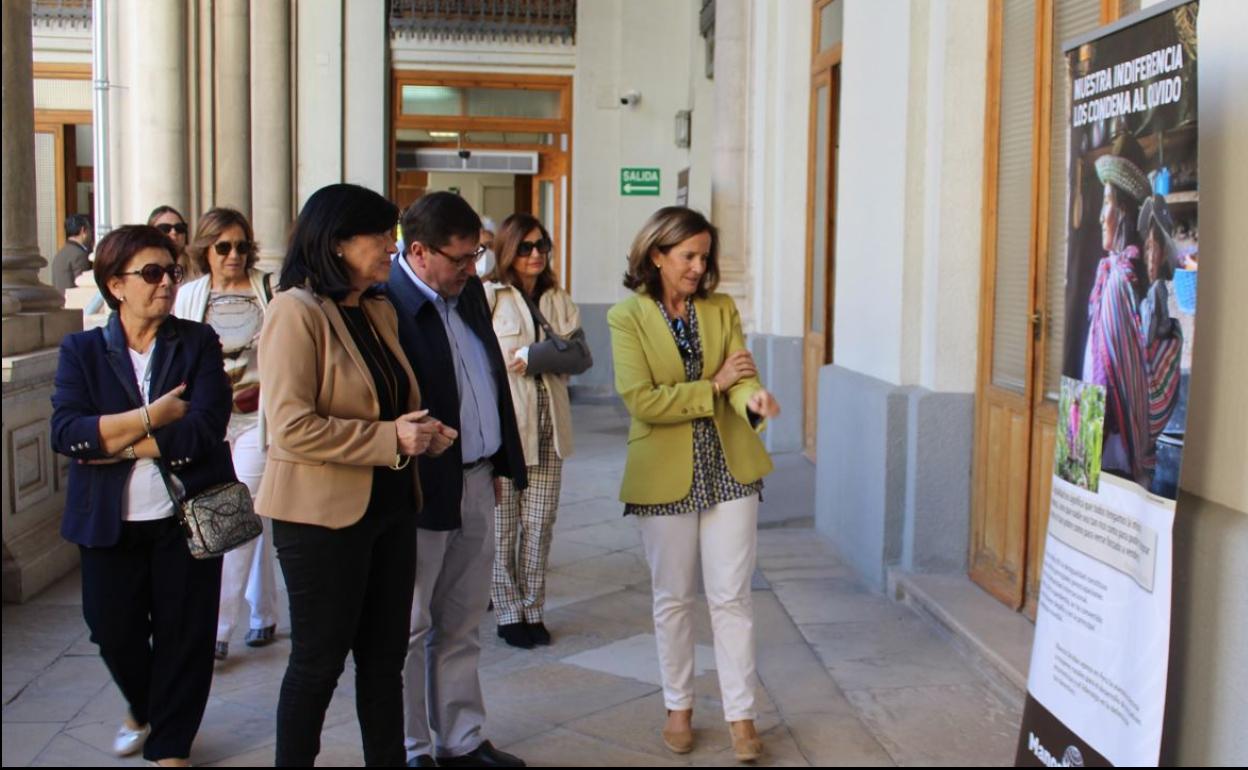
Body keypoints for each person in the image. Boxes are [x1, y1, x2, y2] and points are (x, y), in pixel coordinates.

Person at [258, 183, 456, 767]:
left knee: (384, 661)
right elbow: (291, 428)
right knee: (317, 664)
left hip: (391, 506)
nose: (392, 248)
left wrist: (421, 431)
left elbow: (384, 405)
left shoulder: (377, 309)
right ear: (338, 242)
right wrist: (390, 438)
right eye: (379, 235)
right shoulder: (295, 311)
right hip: (320, 518)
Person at [51, 225, 235, 767]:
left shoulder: (196, 342)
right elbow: (67, 432)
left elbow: (204, 428)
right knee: (111, 630)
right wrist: (152, 416)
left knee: (186, 635)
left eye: (172, 272)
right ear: (115, 285)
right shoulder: (82, 350)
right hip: (108, 522)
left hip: (187, 515)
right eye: (151, 273)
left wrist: (118, 444)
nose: (167, 283)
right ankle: (143, 706)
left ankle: (170, 746)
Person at [608, 206, 780, 762]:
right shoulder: (626, 317)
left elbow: (742, 377)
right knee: (674, 600)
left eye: (704, 256)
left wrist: (752, 400)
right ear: (657, 255)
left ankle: (741, 716)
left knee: (732, 598)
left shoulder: (720, 307)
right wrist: (716, 386)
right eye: (688, 256)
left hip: (729, 470)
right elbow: (642, 400)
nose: (698, 267)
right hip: (664, 475)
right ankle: (678, 708)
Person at [390, 192, 528, 768]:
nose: (472, 268)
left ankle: (461, 739)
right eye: (461, 257)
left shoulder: (466, 293)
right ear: (419, 251)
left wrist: (498, 461)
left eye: (476, 256)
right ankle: (410, 748)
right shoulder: (387, 302)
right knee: (409, 624)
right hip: (420, 487)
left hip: (476, 476)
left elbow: (488, 375)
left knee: (463, 619)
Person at [174, 208, 279, 661]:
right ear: (206, 250)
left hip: (258, 420)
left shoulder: (269, 289)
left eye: (241, 246)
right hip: (208, 421)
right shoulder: (188, 297)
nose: (233, 255)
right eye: (223, 247)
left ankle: (218, 629)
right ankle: (264, 611)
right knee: (253, 519)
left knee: (235, 514)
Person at [483, 214, 581, 649]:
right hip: (507, 433)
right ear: (507, 250)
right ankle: (508, 612)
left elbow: (581, 356)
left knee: (540, 526)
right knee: (503, 528)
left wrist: (537, 356)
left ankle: (533, 608)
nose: (536, 254)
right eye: (525, 247)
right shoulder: (489, 297)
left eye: (542, 246)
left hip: (549, 431)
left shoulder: (558, 298)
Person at [1084, 133, 1154, 484]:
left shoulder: (1120, 283)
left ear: (1124, 211)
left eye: (1107, 204)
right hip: (1109, 445)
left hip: (1112, 453)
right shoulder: (1115, 275)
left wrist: (1086, 447)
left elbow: (1120, 375)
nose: (1101, 216)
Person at [148, 205, 198, 280]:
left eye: (179, 228)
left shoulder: (199, 267)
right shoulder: (142, 267)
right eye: (165, 228)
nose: (174, 232)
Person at [52, 213, 94, 291]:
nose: (91, 234)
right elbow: (84, 286)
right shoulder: (79, 254)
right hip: (74, 298)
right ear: (83, 230)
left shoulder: (60, 254)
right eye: (90, 230)